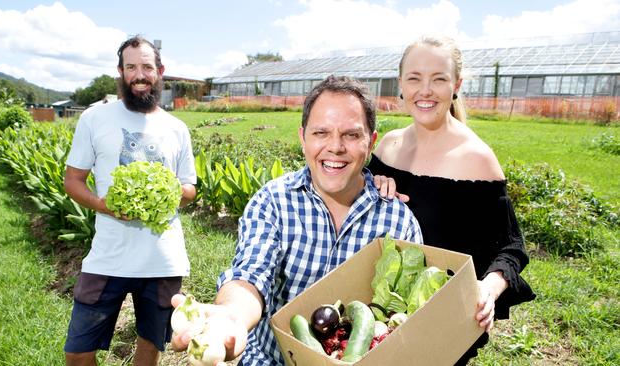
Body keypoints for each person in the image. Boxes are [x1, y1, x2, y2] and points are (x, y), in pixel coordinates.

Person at [171, 75, 423, 366]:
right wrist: (233, 316)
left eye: (352, 135)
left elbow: (405, 316)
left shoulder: (397, 221)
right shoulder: (273, 202)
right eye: (321, 133)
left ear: (371, 142)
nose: (335, 147)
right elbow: (251, 274)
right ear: (303, 138)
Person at [367, 35, 536, 364]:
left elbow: (511, 248)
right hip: (386, 309)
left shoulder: (476, 159)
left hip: (442, 322)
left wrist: (489, 288)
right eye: (414, 78)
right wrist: (371, 182)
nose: (425, 90)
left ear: (456, 84)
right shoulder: (389, 146)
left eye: (438, 79)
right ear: (401, 83)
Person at [63, 35, 197, 366]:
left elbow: (189, 188)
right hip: (109, 256)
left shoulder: (176, 128)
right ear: (120, 71)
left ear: (160, 71)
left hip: (162, 260)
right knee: (77, 352)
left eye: (147, 67)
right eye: (131, 67)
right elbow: (73, 180)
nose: (139, 74)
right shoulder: (95, 119)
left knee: (150, 347)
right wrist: (103, 205)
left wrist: (169, 194)